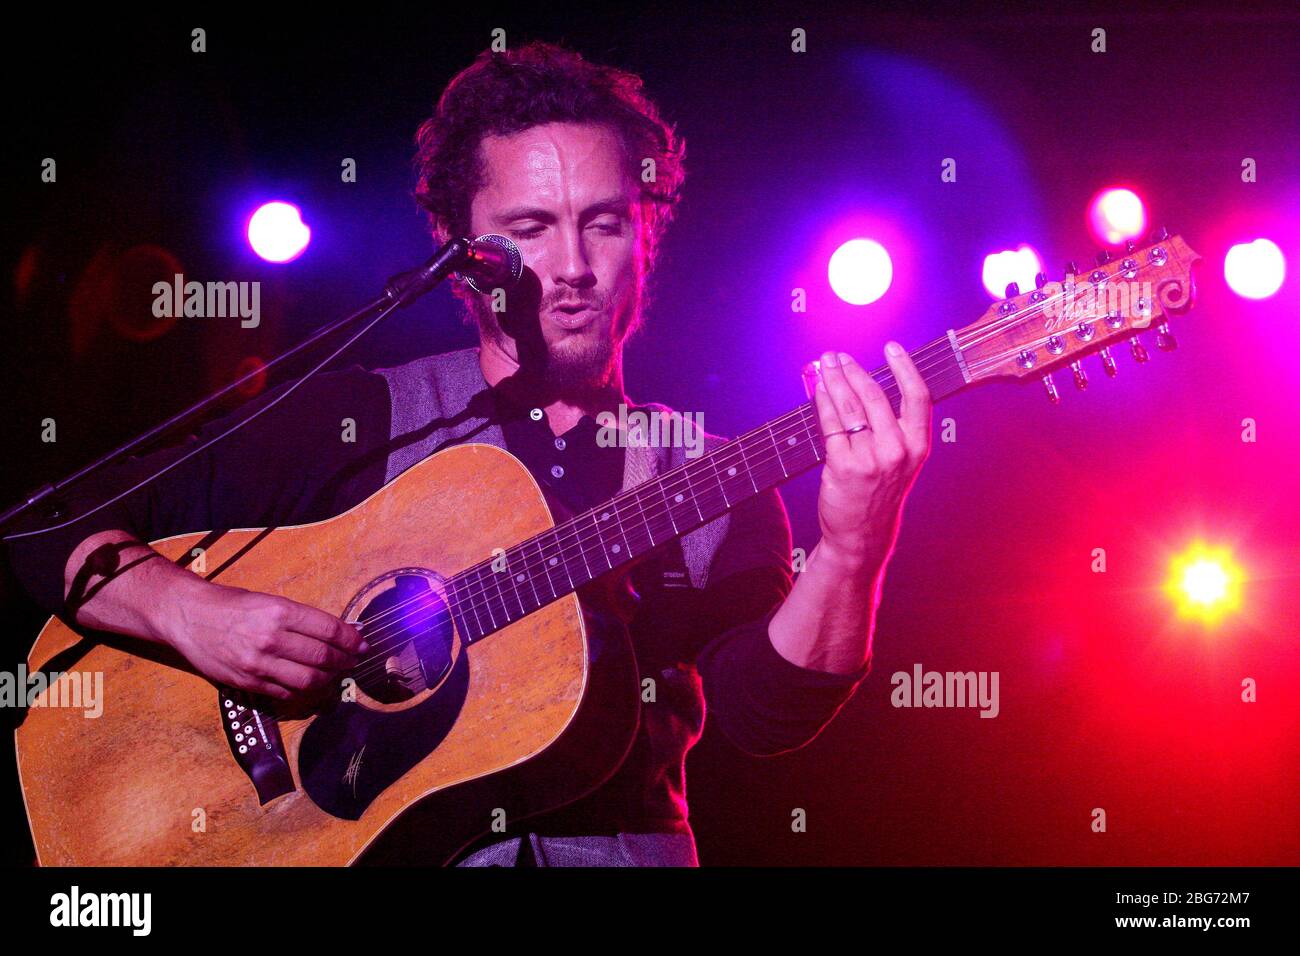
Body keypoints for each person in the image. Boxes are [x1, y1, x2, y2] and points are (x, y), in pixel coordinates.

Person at [4, 41, 932, 866]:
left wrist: (854, 548)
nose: (570, 265)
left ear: (645, 235)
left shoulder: (708, 478)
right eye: (528, 229)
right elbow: (46, 527)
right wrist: (193, 613)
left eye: (604, 222)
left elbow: (764, 717)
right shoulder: (368, 416)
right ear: (459, 246)